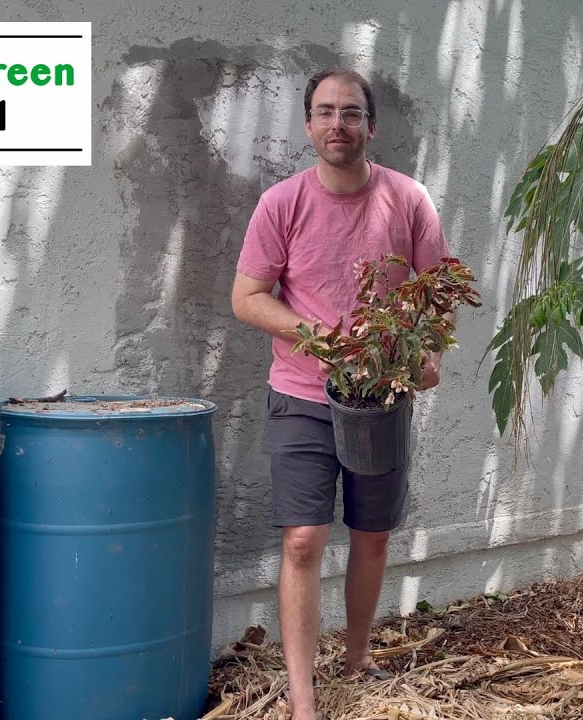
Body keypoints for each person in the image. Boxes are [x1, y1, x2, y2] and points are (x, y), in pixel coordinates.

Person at [230, 68, 452, 720]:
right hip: (300, 394)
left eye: (351, 113)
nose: (338, 124)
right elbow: (246, 298)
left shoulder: (408, 201)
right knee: (303, 539)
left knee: (373, 534)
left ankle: (358, 657)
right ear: (308, 126)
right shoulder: (282, 204)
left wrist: (429, 354)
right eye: (325, 112)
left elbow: (438, 293)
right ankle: (304, 699)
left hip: (380, 397)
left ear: (370, 126)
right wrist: (319, 335)